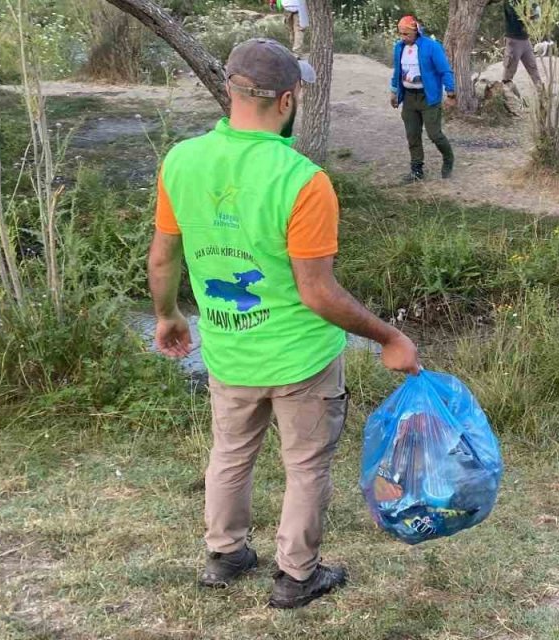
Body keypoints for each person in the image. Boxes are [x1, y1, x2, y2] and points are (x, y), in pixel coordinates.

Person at [147, 38, 421, 609]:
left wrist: (168, 314)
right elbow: (317, 292)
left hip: (228, 350)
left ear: (231, 89)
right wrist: (389, 337)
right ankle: (297, 576)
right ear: (289, 100)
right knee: (305, 466)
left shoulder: (181, 161)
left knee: (231, 452)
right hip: (301, 359)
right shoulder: (303, 180)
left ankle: (224, 556)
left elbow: (163, 255)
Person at [390, 15, 457, 182]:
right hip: (409, 98)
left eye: (407, 34)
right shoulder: (399, 48)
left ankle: (448, 158)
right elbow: (397, 72)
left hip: (429, 98)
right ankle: (417, 170)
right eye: (401, 34)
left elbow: (445, 70)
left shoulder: (431, 47)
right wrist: (394, 91)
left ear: (416, 32)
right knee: (412, 134)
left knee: (434, 134)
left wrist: (450, 93)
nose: (403, 38)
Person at [501, 0, 542, 95]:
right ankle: (505, 95)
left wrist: (535, 8)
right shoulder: (510, 2)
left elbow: (531, 10)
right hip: (514, 40)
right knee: (509, 72)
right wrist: (533, 14)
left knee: (533, 67)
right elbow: (518, 15)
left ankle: (542, 94)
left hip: (525, 39)